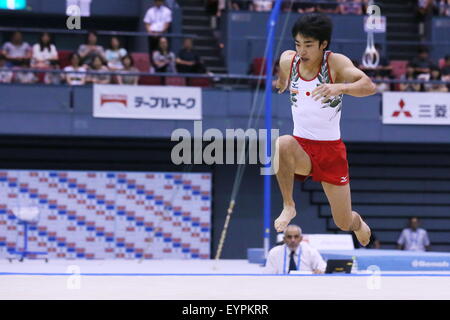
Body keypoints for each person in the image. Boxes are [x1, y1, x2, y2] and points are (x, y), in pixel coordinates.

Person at [273, 13, 376, 248]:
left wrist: (340, 87)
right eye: (298, 44)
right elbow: (283, 71)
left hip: (331, 151)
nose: (302, 51)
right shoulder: (289, 60)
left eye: (308, 45)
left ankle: (358, 223)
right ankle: (289, 205)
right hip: (302, 147)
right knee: (282, 143)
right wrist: (281, 84)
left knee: (343, 222)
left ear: (323, 44)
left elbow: (369, 86)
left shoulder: (335, 63)